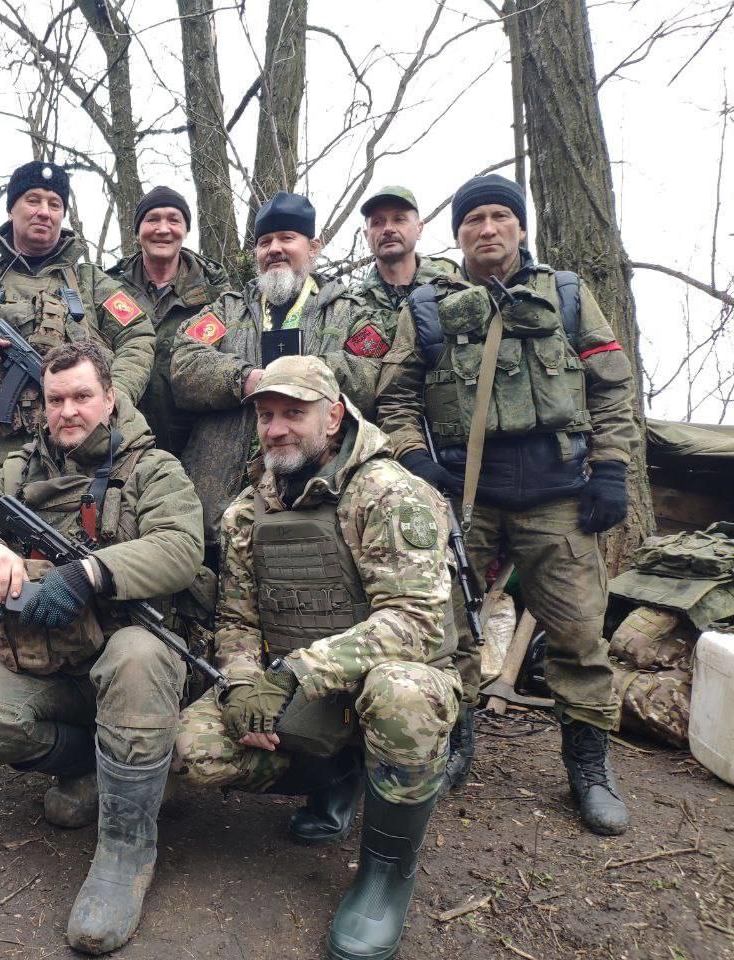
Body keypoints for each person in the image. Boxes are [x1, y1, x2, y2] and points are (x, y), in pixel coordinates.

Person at [172, 354, 459, 960]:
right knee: (198, 747)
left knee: (402, 696)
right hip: (299, 689)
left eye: (293, 414)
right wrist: (244, 685)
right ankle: (337, 777)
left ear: (332, 418)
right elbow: (237, 620)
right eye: (266, 415)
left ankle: (385, 874)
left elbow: (417, 621)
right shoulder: (248, 511)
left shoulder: (386, 493)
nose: (276, 428)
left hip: (381, 677)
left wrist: (298, 672)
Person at [375, 173, 636, 835]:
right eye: (473, 221)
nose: (486, 229)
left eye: (499, 217)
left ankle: (588, 765)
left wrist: (610, 471)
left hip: (559, 499)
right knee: (446, 630)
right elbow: (396, 399)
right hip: (466, 502)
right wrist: (415, 463)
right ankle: (455, 737)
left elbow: (610, 389)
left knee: (578, 635)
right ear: (458, 233)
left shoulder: (569, 296)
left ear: (520, 226)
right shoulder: (428, 308)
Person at [0, 341, 203, 954]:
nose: (68, 410)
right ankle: (94, 768)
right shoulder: (18, 469)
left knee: (138, 656)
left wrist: (88, 574)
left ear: (110, 397)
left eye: (82, 396)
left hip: (131, 660)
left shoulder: (152, 467)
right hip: (52, 661)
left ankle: (125, 848)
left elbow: (182, 548)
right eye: (56, 399)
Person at [0, 160, 155, 482]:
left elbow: (138, 336)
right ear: (12, 209)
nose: (44, 211)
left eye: (55, 204)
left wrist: (110, 396)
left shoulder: (91, 283)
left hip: (79, 460)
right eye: (33, 200)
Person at [169, 191, 382, 558]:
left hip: (317, 507)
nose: (275, 249)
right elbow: (184, 362)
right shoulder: (226, 310)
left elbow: (368, 374)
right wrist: (246, 378)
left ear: (313, 247)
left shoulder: (350, 312)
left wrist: (294, 379)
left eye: (287, 238)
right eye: (265, 242)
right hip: (216, 508)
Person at [106, 186, 229, 455]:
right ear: (137, 231)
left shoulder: (217, 295)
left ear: (185, 230)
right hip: (120, 439)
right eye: (152, 219)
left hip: (195, 443)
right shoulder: (108, 290)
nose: (163, 229)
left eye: (174, 220)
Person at [351, 185, 459, 340]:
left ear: (419, 229)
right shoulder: (350, 305)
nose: (388, 229)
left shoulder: (451, 286)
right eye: (377, 222)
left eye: (399, 219)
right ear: (367, 235)